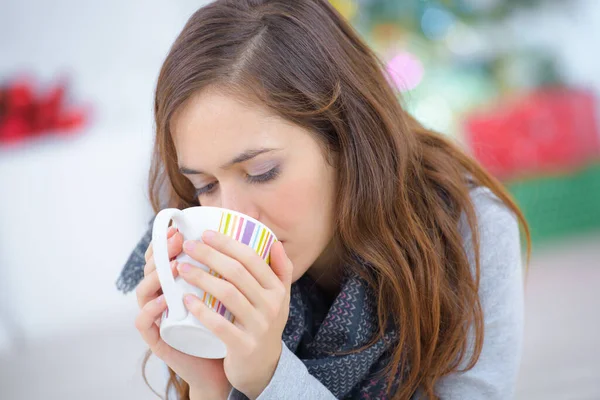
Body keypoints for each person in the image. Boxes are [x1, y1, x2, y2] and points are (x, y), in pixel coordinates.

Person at [116, 0, 530, 399]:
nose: (233, 215)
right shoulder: (193, 252)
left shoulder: (465, 230)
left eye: (263, 172)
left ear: (346, 139)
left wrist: (269, 377)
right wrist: (210, 386)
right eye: (205, 185)